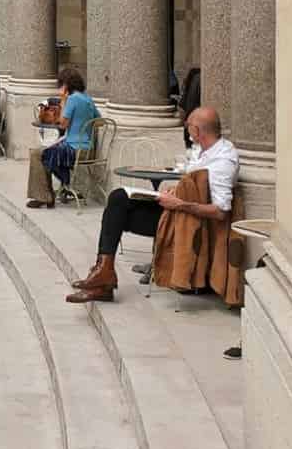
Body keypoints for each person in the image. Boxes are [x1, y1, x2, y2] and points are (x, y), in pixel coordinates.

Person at [67, 107, 237, 303]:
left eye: (188, 126)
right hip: (175, 211)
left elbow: (221, 212)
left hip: (184, 223)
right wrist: (176, 191)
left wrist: (179, 203)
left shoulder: (222, 162)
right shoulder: (204, 150)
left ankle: (103, 279)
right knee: (118, 198)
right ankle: (103, 272)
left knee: (117, 215)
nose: (187, 130)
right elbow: (195, 187)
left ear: (197, 131)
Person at [26, 66, 98, 209]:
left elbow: (62, 125)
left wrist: (64, 101)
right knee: (45, 151)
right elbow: (99, 120)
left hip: (74, 149)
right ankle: (59, 189)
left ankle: (44, 196)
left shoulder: (72, 99)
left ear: (65, 85)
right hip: (88, 149)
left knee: (37, 153)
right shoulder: (88, 99)